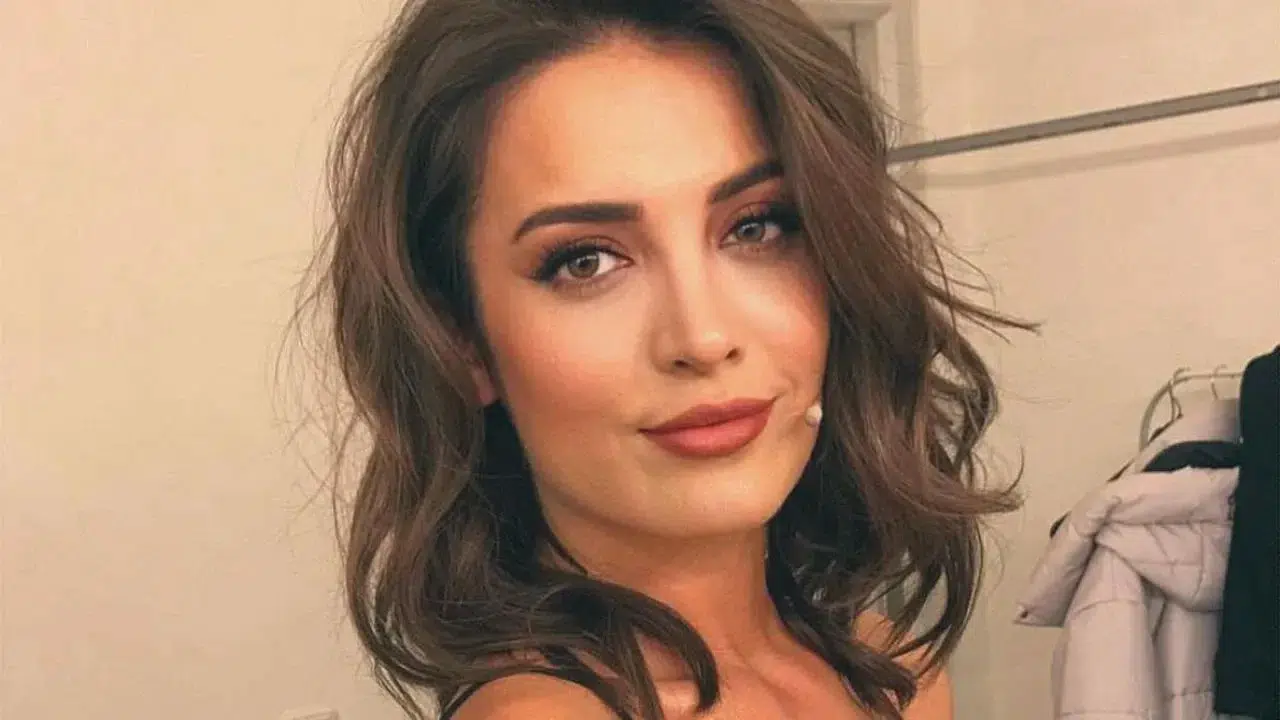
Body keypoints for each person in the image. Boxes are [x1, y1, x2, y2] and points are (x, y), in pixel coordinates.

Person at [300, 0, 1028, 717]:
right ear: (458, 337)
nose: (702, 337)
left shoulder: (892, 671)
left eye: (757, 226)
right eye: (585, 261)